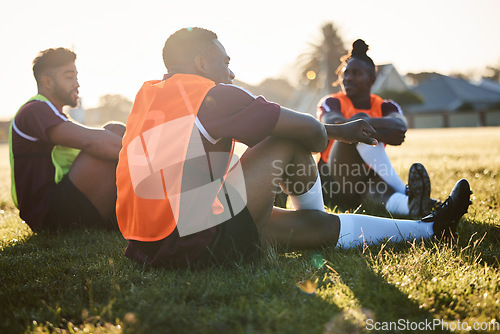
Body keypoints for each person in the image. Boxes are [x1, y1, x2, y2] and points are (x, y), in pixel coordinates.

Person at [116, 27, 471, 269]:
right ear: (201, 63)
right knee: (285, 140)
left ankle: (431, 229)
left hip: (151, 246)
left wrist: (331, 130)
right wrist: (339, 133)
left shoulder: (149, 96)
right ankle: (318, 217)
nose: (231, 72)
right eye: (225, 62)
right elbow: (309, 134)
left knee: (301, 228)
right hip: (194, 238)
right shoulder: (212, 93)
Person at [317, 39, 437, 218]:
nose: (348, 78)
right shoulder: (332, 101)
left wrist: (365, 120)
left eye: (355, 73)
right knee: (355, 130)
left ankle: (414, 205)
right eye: (345, 73)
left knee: (379, 191)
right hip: (333, 183)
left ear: (371, 79)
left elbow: (400, 127)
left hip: (366, 179)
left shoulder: (386, 106)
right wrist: (364, 123)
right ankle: (404, 190)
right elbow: (334, 123)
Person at [9, 47, 125, 232]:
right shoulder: (34, 110)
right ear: (47, 82)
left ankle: (132, 210)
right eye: (69, 77)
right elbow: (92, 142)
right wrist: (151, 156)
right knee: (111, 137)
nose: (77, 84)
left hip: (62, 202)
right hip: (50, 214)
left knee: (115, 131)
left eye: (76, 77)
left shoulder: (55, 114)